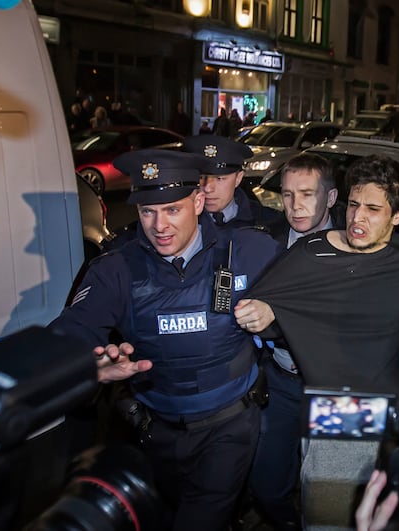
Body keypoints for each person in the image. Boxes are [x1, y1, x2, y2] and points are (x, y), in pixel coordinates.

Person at [48, 148, 283, 531]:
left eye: (172, 209)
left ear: (198, 200)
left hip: (229, 429)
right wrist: (85, 365)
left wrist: (273, 315)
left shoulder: (250, 251)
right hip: (153, 432)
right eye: (147, 211)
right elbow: (69, 332)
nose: (159, 225)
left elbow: (308, 301)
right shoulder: (117, 268)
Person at [233, 154, 399, 529]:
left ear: (397, 216)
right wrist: (267, 312)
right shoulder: (311, 251)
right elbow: (267, 304)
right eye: (353, 205)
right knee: (328, 516)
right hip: (339, 407)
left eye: (372, 209)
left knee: (375, 516)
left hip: (390, 414)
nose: (357, 218)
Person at [246, 152, 344, 531]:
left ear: (331, 198)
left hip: (336, 389)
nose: (295, 205)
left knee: (331, 499)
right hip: (283, 382)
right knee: (267, 485)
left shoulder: (357, 245)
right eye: (287, 195)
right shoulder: (266, 242)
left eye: (306, 193)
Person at [182, 134, 281, 229]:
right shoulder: (178, 222)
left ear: (238, 178)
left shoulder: (267, 222)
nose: (208, 188)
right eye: (201, 177)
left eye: (219, 178)